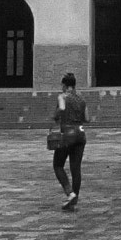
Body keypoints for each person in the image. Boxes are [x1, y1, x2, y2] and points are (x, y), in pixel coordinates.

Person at [50, 72, 87, 211]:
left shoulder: (62, 96)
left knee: (58, 165)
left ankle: (70, 193)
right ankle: (75, 197)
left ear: (65, 86)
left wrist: (55, 116)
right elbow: (87, 117)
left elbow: (62, 108)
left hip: (67, 134)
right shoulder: (81, 99)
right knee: (76, 168)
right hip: (81, 134)